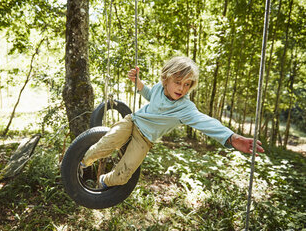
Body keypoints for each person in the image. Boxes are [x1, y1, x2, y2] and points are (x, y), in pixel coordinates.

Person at [81, 56, 264, 189]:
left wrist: (232, 138)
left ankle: (104, 180)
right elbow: (149, 94)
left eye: (187, 84)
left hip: (145, 140)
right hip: (133, 122)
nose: (182, 88)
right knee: (107, 143)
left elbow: (206, 122)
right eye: (178, 82)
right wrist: (137, 82)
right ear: (166, 79)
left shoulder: (185, 108)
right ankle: (81, 163)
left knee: (123, 176)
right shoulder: (160, 89)